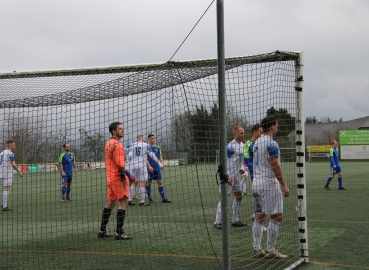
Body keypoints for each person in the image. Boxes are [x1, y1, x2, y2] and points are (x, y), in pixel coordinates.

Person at [251, 115, 290, 259]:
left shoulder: (256, 142)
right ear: (272, 126)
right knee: (277, 215)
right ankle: (270, 249)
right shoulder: (271, 143)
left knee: (259, 215)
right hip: (269, 184)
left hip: (256, 184)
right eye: (277, 125)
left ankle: (256, 248)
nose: (277, 127)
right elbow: (275, 165)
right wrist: (284, 185)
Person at [98, 121, 133, 240]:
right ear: (113, 131)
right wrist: (128, 174)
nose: (122, 130)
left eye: (122, 128)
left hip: (110, 177)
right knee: (123, 203)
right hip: (118, 177)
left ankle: (102, 230)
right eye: (120, 129)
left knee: (110, 203)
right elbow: (120, 163)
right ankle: (119, 232)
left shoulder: (108, 143)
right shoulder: (118, 144)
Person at [213, 126, 248, 229]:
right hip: (228, 177)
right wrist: (226, 177)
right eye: (241, 133)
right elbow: (223, 163)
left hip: (235, 177)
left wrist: (242, 170)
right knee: (225, 199)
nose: (243, 135)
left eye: (243, 133)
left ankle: (235, 220)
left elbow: (240, 161)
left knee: (239, 197)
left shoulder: (242, 145)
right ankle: (217, 222)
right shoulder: (230, 147)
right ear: (235, 133)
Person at [126, 135, 163, 206]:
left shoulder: (132, 145)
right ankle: (142, 201)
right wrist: (160, 164)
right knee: (142, 183)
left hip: (133, 166)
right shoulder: (145, 145)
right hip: (142, 166)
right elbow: (152, 155)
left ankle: (129, 200)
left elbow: (125, 149)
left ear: (136, 139)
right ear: (142, 139)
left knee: (134, 182)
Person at [146, 134, 171, 203]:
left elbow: (160, 157)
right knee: (149, 182)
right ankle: (149, 198)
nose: (153, 140)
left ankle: (164, 198)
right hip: (149, 168)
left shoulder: (157, 148)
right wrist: (148, 166)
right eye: (151, 138)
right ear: (148, 139)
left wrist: (162, 164)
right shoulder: (146, 147)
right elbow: (146, 158)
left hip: (157, 168)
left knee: (160, 182)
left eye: (154, 138)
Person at [0, 140, 23, 211]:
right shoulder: (10, 153)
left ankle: (3, 204)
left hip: (1, 172)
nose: (14, 146)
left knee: (5, 188)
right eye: (14, 145)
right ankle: (4, 206)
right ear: (10, 145)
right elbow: (13, 164)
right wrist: (19, 171)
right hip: (7, 173)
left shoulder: (1, 153)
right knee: (7, 188)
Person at [243, 124, 263, 195]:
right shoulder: (247, 145)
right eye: (261, 132)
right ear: (255, 132)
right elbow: (247, 162)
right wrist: (257, 168)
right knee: (258, 196)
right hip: (255, 175)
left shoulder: (263, 143)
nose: (262, 134)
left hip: (265, 173)